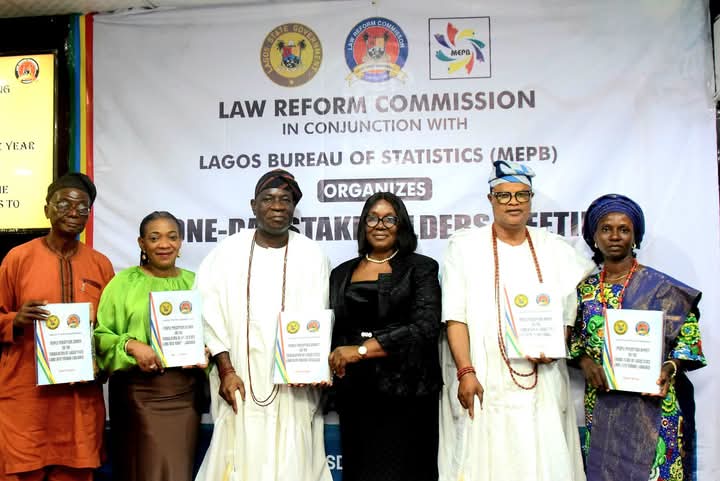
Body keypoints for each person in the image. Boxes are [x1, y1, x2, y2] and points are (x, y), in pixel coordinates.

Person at [438, 161, 594, 481]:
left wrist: (555, 344)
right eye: (504, 195)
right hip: (484, 376)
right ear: (490, 199)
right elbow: (455, 316)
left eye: (522, 195)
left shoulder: (554, 248)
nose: (514, 202)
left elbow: (567, 313)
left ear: (531, 199)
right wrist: (466, 371)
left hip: (542, 378)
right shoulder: (464, 247)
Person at [194, 169, 332, 481]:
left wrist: (313, 369)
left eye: (286, 199)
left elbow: (321, 319)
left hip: (294, 389)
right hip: (239, 378)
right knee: (237, 452)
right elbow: (208, 315)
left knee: (294, 454)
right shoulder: (227, 252)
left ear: (294, 207)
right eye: (268, 199)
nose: (277, 206)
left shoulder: (312, 255)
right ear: (253, 205)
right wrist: (226, 371)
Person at [569, 194, 706, 481]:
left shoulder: (663, 288)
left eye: (624, 229)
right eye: (606, 229)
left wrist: (669, 368)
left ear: (635, 236)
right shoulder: (583, 291)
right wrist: (584, 362)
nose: (614, 236)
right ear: (594, 237)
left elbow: (688, 340)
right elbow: (573, 340)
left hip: (654, 405)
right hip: (604, 405)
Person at [0, 173, 114, 481]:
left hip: (79, 401)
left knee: (76, 472)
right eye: (63, 204)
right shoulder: (18, 259)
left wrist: (102, 363)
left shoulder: (100, 264)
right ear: (47, 209)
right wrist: (15, 320)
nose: (73, 212)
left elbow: (108, 330)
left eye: (82, 207)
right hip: (26, 400)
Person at [328, 192, 442, 481]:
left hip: (408, 396)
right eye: (373, 218)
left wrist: (362, 350)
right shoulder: (340, 273)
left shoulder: (421, 268)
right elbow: (335, 330)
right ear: (363, 224)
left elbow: (425, 327)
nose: (380, 225)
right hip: (357, 397)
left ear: (401, 224)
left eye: (389, 219)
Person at [94, 211, 206, 481]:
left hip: (184, 395)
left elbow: (213, 333)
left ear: (180, 242)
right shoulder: (123, 283)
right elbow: (101, 336)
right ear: (141, 243)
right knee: (143, 470)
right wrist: (131, 345)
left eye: (172, 237)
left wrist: (206, 352)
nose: (164, 244)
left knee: (178, 470)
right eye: (154, 238)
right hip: (137, 394)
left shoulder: (196, 282)